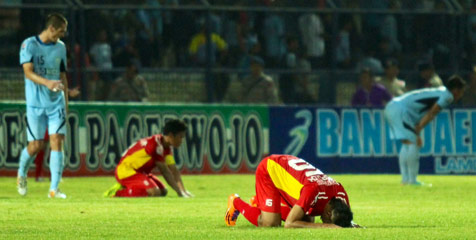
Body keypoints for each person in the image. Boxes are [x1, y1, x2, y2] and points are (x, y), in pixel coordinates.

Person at [225, 154, 359, 228]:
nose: (326, 222)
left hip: (292, 174)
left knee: (306, 219)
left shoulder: (340, 193)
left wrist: (351, 225)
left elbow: (345, 219)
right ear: (329, 213)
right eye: (329, 222)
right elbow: (289, 223)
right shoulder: (314, 190)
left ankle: (262, 203)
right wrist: (326, 227)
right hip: (270, 170)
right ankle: (236, 202)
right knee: (270, 223)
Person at [17, 13, 70, 199]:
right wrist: (47, 82)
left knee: (57, 140)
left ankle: (54, 189)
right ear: (51, 28)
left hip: (56, 104)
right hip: (35, 104)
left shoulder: (61, 48)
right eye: (61, 31)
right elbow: (28, 73)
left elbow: (63, 76)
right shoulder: (29, 45)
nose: (62, 35)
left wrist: (66, 102)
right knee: (36, 145)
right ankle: (22, 173)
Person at [384, 75, 466, 185]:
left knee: (406, 143)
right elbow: (432, 112)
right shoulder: (448, 96)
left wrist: (418, 128)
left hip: (392, 107)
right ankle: (412, 181)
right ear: (456, 90)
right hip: (400, 110)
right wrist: (419, 128)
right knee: (413, 143)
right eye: (461, 92)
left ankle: (405, 180)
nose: (461, 95)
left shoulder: (441, 91)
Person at [103, 119, 193, 198]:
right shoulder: (154, 145)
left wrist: (183, 191)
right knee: (154, 192)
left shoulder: (166, 147)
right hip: (126, 171)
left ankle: (130, 187)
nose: (182, 140)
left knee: (163, 191)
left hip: (140, 172)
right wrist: (179, 193)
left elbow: (174, 170)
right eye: (180, 137)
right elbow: (165, 171)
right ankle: (117, 192)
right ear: (170, 135)